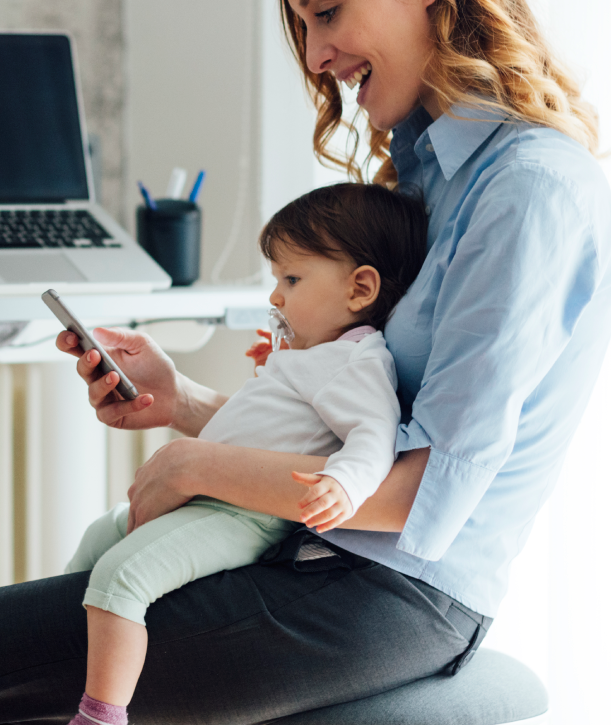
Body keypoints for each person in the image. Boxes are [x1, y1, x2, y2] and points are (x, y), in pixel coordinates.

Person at [0, 0, 611, 724]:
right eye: (304, 24)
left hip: (381, 596)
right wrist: (187, 404)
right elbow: (353, 425)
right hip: (320, 559)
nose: (316, 55)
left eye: (327, 11)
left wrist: (198, 465)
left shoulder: (527, 191)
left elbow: (415, 493)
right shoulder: (431, 177)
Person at [62, 183, 427, 725]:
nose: (277, 297)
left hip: (242, 516)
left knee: (123, 575)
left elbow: (373, 438)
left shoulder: (358, 362)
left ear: (360, 289)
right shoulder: (317, 355)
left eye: (292, 280)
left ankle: (100, 714)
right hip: (211, 501)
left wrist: (344, 485)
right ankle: (62, 644)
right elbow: (273, 424)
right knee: (100, 534)